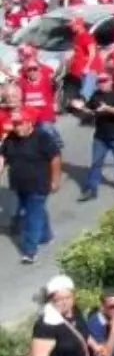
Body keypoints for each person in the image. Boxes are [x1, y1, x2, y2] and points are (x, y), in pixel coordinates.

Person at [0, 106, 61, 264]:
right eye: (15, 123)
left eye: (20, 123)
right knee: (36, 210)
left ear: (30, 123)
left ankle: (29, 251)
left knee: (30, 216)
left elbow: (55, 158)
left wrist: (55, 180)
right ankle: (46, 235)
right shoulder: (11, 138)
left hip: (39, 184)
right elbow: (3, 156)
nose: (17, 127)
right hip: (19, 184)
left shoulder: (43, 137)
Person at [78, 73, 114, 202]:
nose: (102, 84)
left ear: (111, 81)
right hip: (100, 136)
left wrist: (107, 108)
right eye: (99, 81)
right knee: (96, 163)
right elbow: (90, 110)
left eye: (104, 81)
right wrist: (81, 108)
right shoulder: (95, 95)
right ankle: (91, 189)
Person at [29, 275, 94, 356]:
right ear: (51, 300)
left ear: (73, 296)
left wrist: (95, 346)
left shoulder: (75, 311)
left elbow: (81, 332)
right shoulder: (46, 325)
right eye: (59, 299)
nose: (65, 302)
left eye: (68, 297)